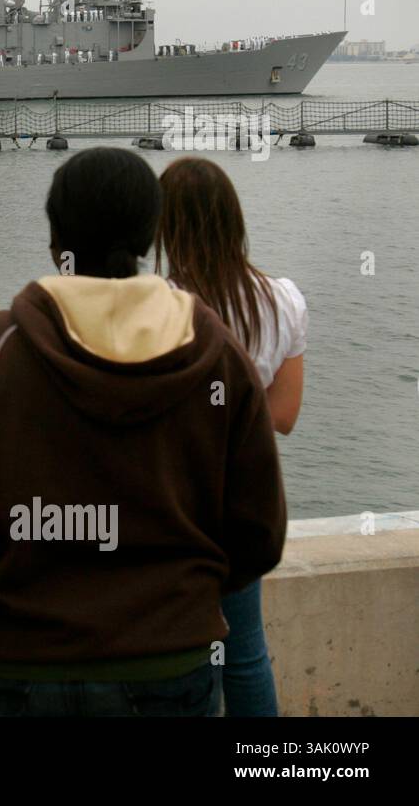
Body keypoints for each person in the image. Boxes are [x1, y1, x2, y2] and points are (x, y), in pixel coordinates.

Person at [0, 147, 286, 717]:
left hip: (7, 666)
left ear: (54, 240)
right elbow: (260, 533)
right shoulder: (217, 357)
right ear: (150, 237)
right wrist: (180, 603)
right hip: (169, 667)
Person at [156, 156, 307, 717]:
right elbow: (285, 414)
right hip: (248, 495)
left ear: (165, 226)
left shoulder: (159, 305)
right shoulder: (282, 299)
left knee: (182, 657)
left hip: (174, 501)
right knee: (245, 653)